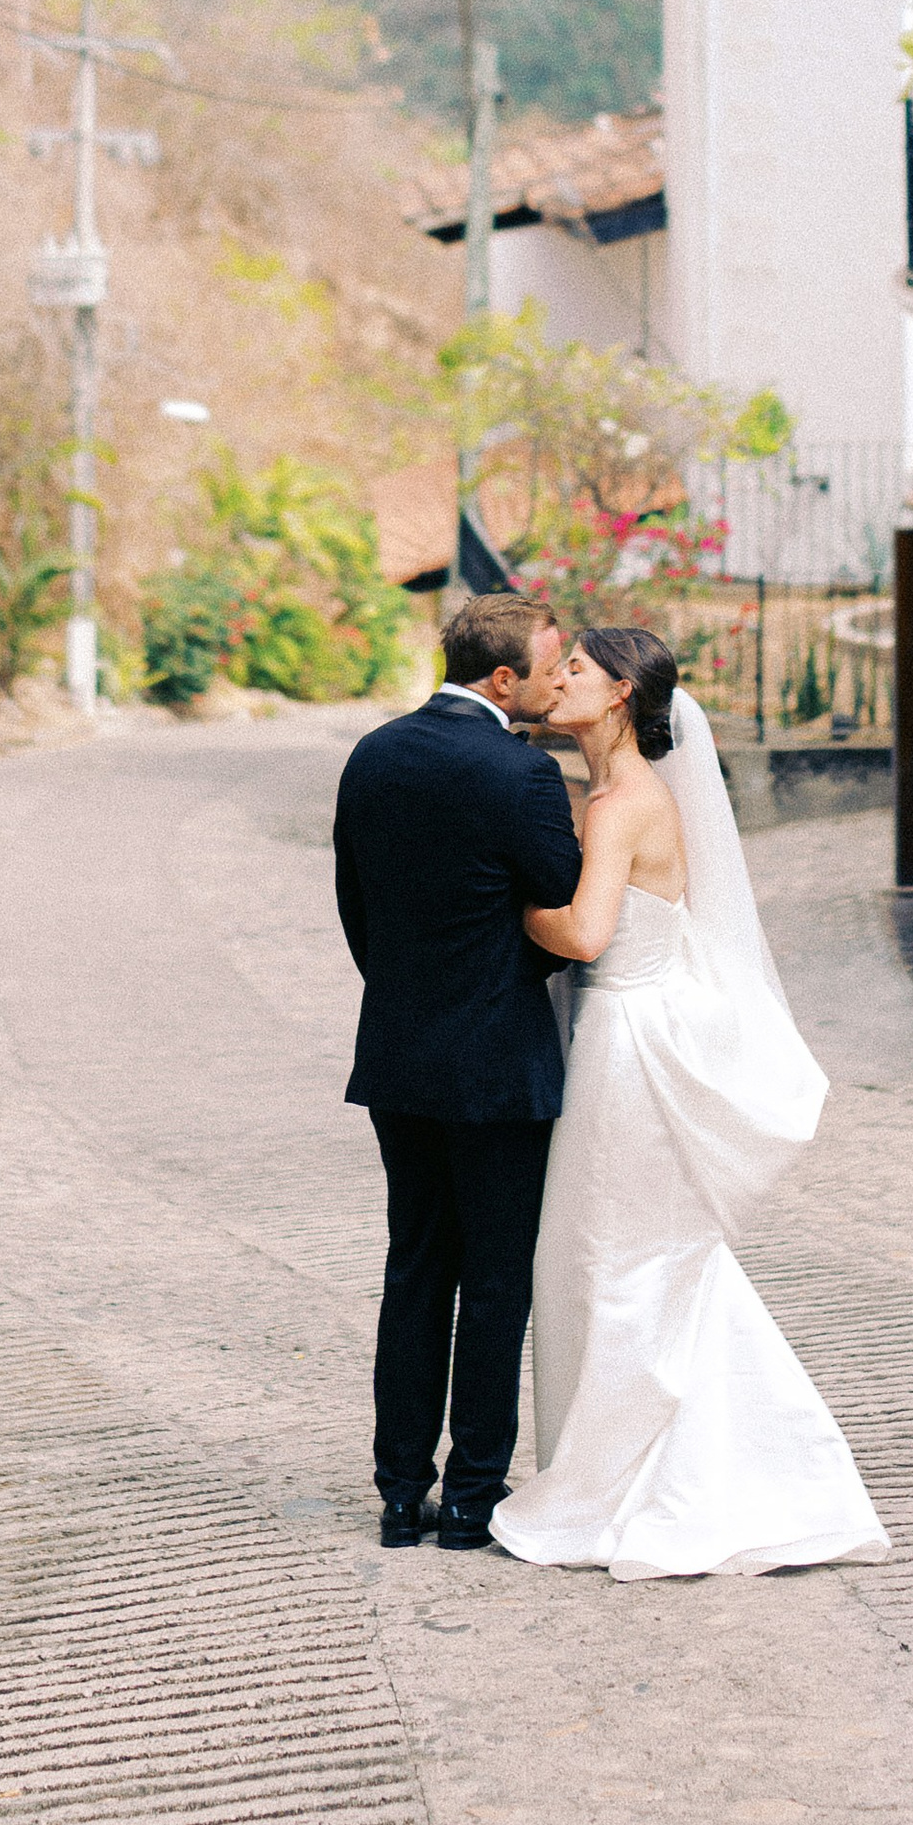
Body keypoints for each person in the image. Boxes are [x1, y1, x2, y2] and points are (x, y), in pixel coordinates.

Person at [492, 623, 887, 1579]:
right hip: (617, 1034)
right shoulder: (607, 789)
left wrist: (487, 898)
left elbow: (586, 933)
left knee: (623, 1260)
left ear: (623, 691)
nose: (559, 680)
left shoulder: (627, 800)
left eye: (576, 669)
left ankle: (627, 1482)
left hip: (632, 1044)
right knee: (631, 1259)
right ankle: (686, 1465)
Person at [332, 590, 581, 1551]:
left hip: (399, 1053)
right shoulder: (520, 774)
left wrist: (412, 991)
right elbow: (564, 909)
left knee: (415, 1270)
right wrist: (518, 970)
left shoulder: (373, 755)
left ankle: (401, 1496)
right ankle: (472, 1499)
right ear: (504, 676)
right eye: (552, 664)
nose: (562, 679)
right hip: (498, 1063)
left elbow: (358, 908)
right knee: (495, 1282)